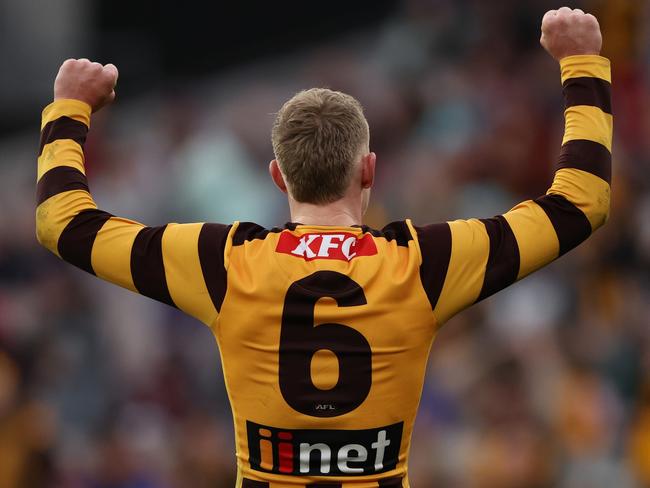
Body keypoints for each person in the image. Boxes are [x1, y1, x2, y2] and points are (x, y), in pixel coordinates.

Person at [35, 7, 612, 488]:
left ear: (277, 178)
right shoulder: (423, 263)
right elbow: (580, 201)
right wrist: (581, 63)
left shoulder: (224, 264)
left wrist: (69, 107)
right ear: (369, 171)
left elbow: (63, 221)